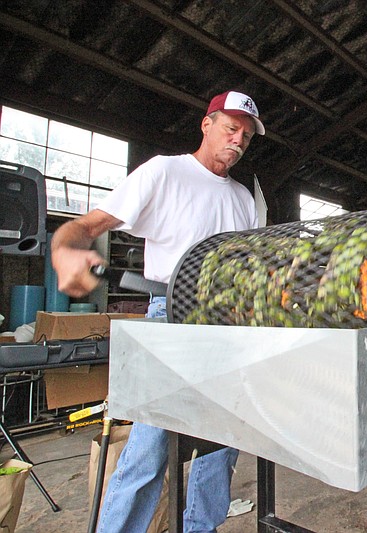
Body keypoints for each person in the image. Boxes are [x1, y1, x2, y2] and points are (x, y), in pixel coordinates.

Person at [51, 90, 264, 533]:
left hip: (224, 321)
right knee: (150, 447)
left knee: (222, 444)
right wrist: (64, 246)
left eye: (245, 135)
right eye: (230, 129)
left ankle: (200, 528)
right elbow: (89, 225)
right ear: (206, 125)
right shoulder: (165, 172)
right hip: (170, 315)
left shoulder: (244, 197)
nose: (237, 141)